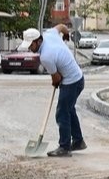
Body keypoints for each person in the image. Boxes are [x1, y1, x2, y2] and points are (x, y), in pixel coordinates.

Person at [24, 25, 85, 157]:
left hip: (71, 82)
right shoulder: (49, 33)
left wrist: (55, 81)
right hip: (79, 78)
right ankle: (78, 141)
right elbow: (62, 27)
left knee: (62, 112)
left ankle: (64, 147)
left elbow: (57, 78)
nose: (29, 48)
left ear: (38, 41)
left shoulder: (45, 56)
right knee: (69, 110)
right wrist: (67, 35)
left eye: (31, 45)